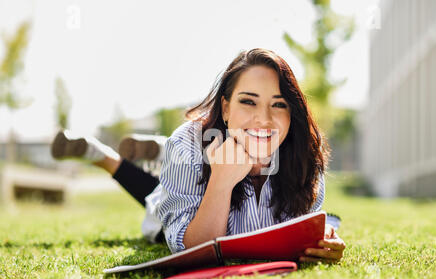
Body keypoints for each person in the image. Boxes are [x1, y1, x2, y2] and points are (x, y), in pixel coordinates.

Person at [52, 48, 346, 264]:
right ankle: (101, 155)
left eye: (278, 104)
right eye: (248, 102)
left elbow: (300, 226)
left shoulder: (304, 150)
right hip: (176, 204)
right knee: (153, 196)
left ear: (291, 111)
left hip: (187, 160)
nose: (264, 118)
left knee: (171, 170)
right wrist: (220, 179)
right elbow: (195, 250)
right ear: (226, 108)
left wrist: (321, 241)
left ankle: (158, 150)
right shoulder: (188, 145)